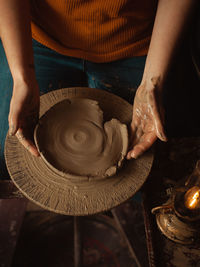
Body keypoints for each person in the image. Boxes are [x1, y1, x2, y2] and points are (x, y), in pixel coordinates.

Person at [0, 0, 196, 179]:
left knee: (152, 170)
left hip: (139, 39)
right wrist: (22, 77)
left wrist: (152, 83)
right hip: (38, 33)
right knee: (10, 154)